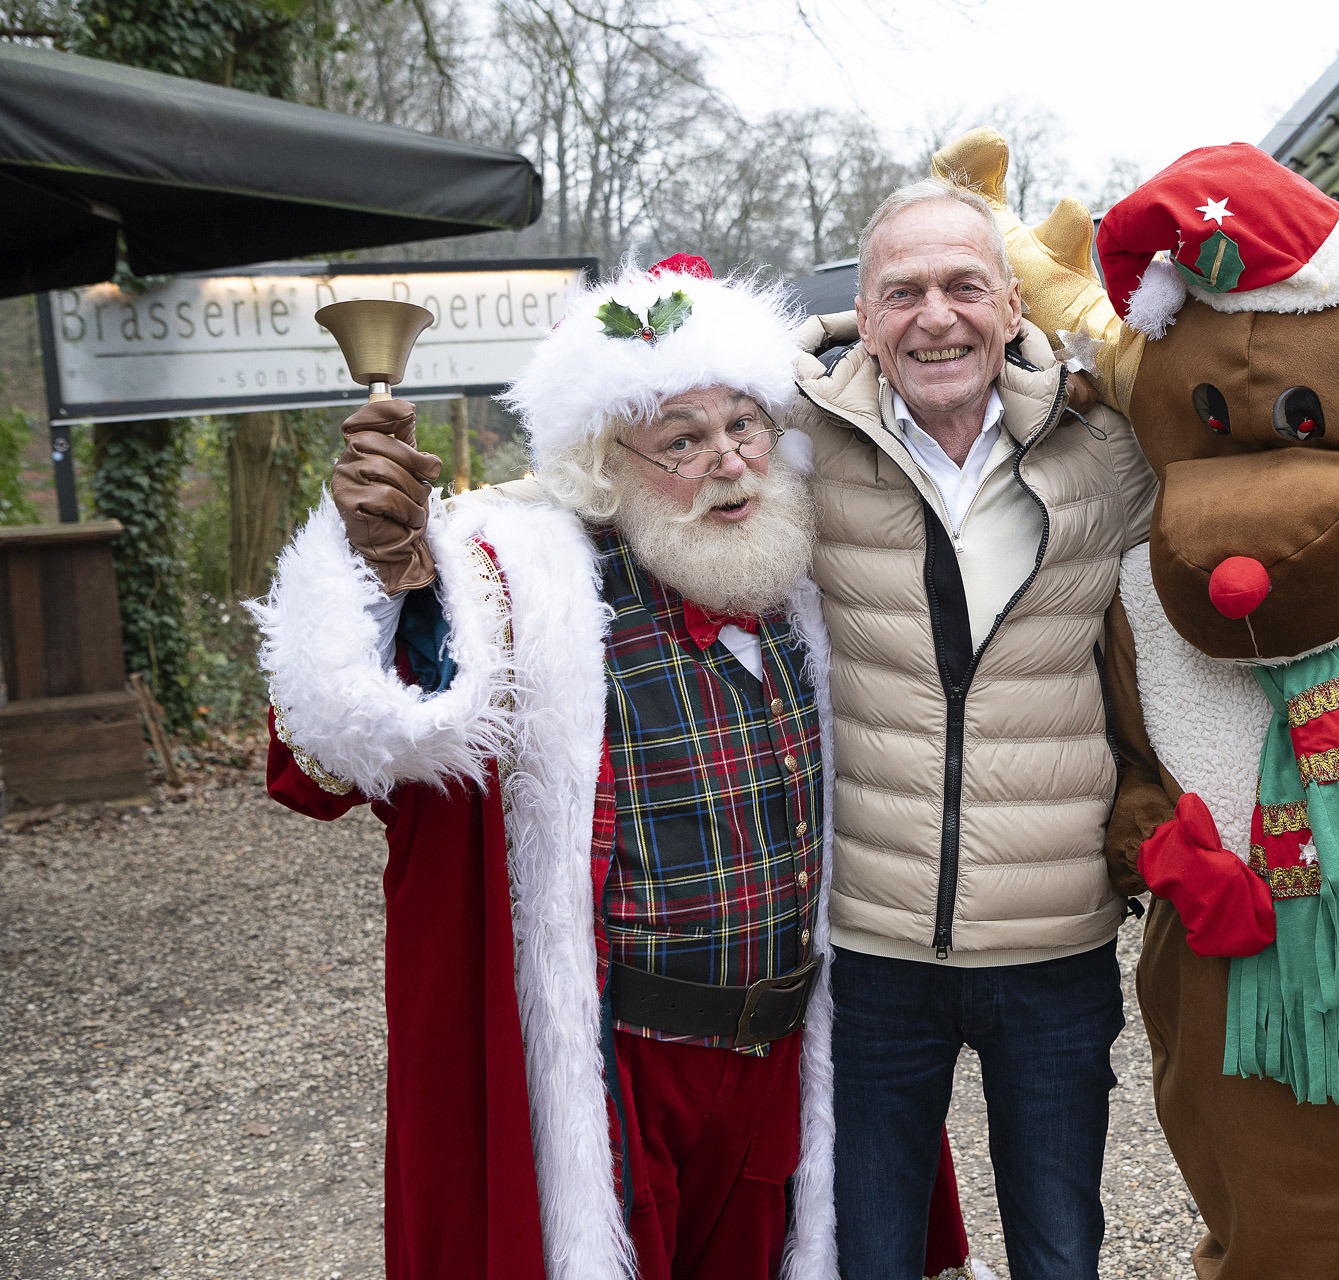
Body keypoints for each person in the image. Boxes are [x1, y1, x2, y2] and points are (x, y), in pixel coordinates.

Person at [785, 174, 1339, 1280]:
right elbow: (667, 488)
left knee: (1060, 1250)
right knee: (872, 1250)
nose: (935, 316)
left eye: (964, 285)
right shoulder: (803, 446)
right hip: (876, 943)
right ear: (864, 310)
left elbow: (1278, 465)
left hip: (1055, 937)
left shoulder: (1105, 445)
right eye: (903, 292)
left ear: (1010, 304)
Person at [255, 255, 976, 1280]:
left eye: (743, 424)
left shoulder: (810, 586)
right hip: (623, 1066)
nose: (728, 461)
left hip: (788, 1058)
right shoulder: (521, 598)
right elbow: (334, 753)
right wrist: (382, 579)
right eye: (681, 439)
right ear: (608, 464)